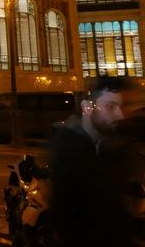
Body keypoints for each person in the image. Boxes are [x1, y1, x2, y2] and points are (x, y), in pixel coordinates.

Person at [49, 76, 135, 247]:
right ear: (87, 108)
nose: (120, 115)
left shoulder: (112, 145)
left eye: (121, 106)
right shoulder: (69, 152)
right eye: (111, 107)